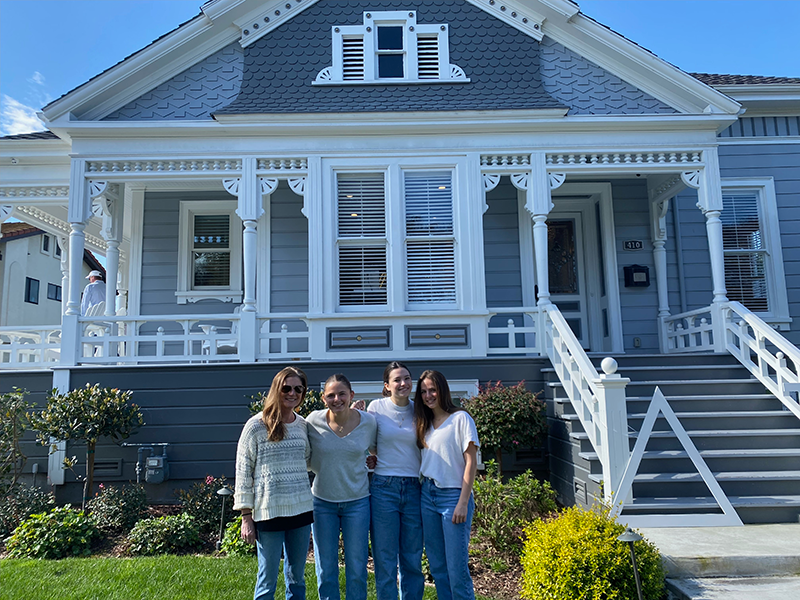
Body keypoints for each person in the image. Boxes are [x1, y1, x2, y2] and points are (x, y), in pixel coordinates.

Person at [234, 367, 314, 600]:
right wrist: (246, 517)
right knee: (267, 580)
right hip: (268, 512)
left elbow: (308, 461)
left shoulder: (302, 425)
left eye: (298, 389)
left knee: (297, 578)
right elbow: (242, 471)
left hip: (300, 510)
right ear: (276, 389)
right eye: (286, 388)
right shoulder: (256, 425)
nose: (292, 393)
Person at [306, 373, 377, 600]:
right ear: (323, 398)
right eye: (331, 395)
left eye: (342, 394)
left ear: (351, 395)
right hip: (322, 503)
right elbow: (305, 455)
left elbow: (377, 450)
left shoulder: (368, 422)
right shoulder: (312, 422)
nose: (337, 399)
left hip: (357, 503)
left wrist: (373, 461)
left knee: (357, 568)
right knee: (326, 569)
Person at [415, 370, 480, 600]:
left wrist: (463, 502)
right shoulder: (425, 423)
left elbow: (471, 462)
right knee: (438, 568)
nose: (428, 395)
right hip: (427, 495)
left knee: (457, 569)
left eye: (432, 390)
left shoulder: (461, 418)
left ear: (442, 390)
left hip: (453, 496)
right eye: (423, 391)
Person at [367, 362, 424, 600]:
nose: (403, 383)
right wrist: (371, 458)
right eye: (397, 380)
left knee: (411, 558)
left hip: (414, 488)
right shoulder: (376, 408)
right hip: (383, 489)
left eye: (407, 378)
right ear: (387, 386)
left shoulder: (421, 409)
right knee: (385, 557)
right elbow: (367, 443)